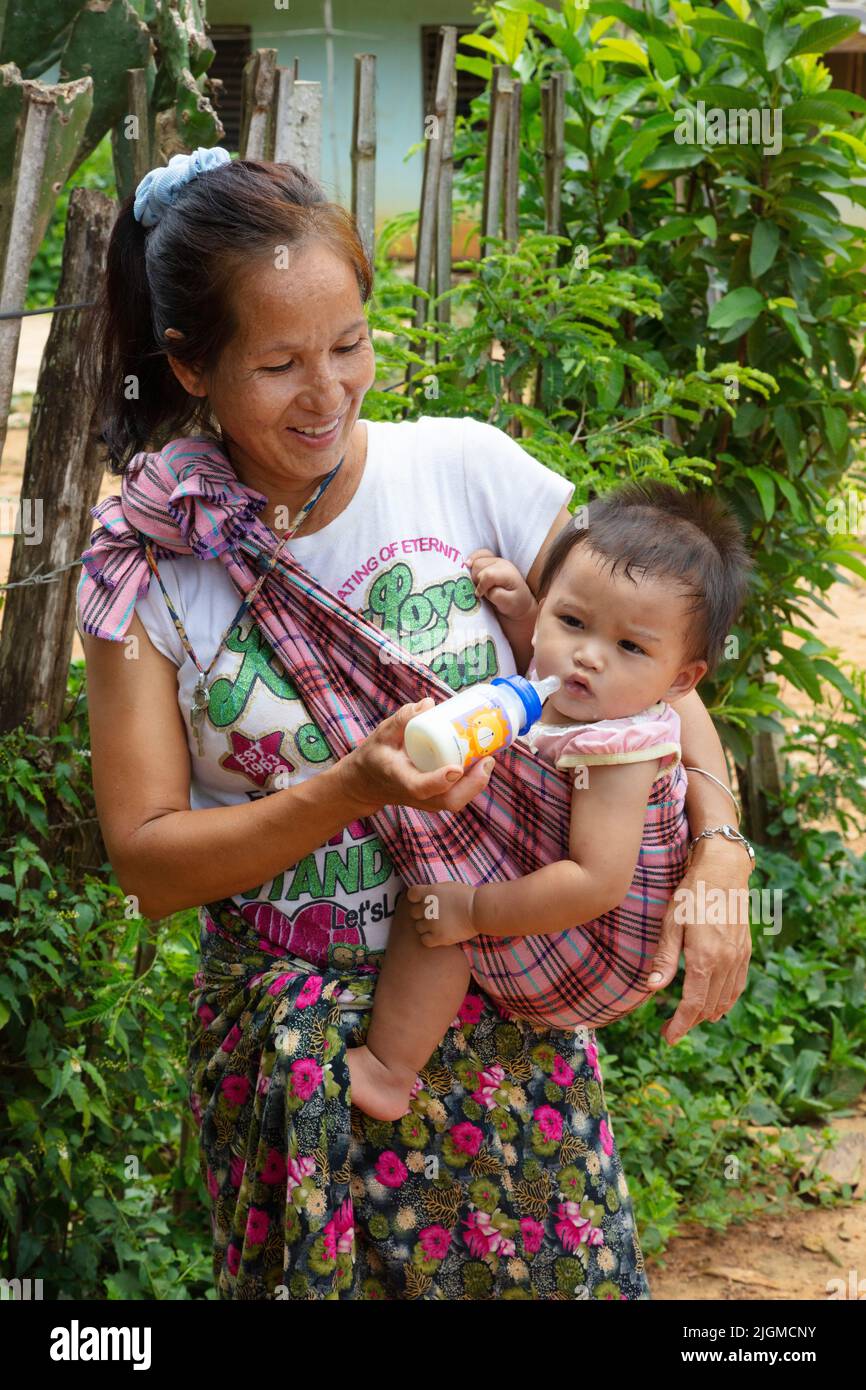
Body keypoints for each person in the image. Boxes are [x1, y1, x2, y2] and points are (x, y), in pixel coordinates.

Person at [77, 149, 755, 1301]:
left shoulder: (466, 470)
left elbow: (641, 665)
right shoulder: (149, 569)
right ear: (189, 364)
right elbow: (149, 864)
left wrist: (721, 850)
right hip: (308, 1059)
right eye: (280, 363)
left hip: (504, 1011)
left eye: (349, 345)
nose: (330, 392)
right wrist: (351, 788)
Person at [347, 482, 754, 1121]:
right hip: (560, 896)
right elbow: (541, 686)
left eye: (630, 647)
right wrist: (518, 615)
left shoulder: (624, 747)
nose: (587, 656)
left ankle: (388, 1070)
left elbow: (596, 882)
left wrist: (475, 909)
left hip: (598, 943)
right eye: (571, 621)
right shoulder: (588, 693)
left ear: (679, 681)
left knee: (431, 914)